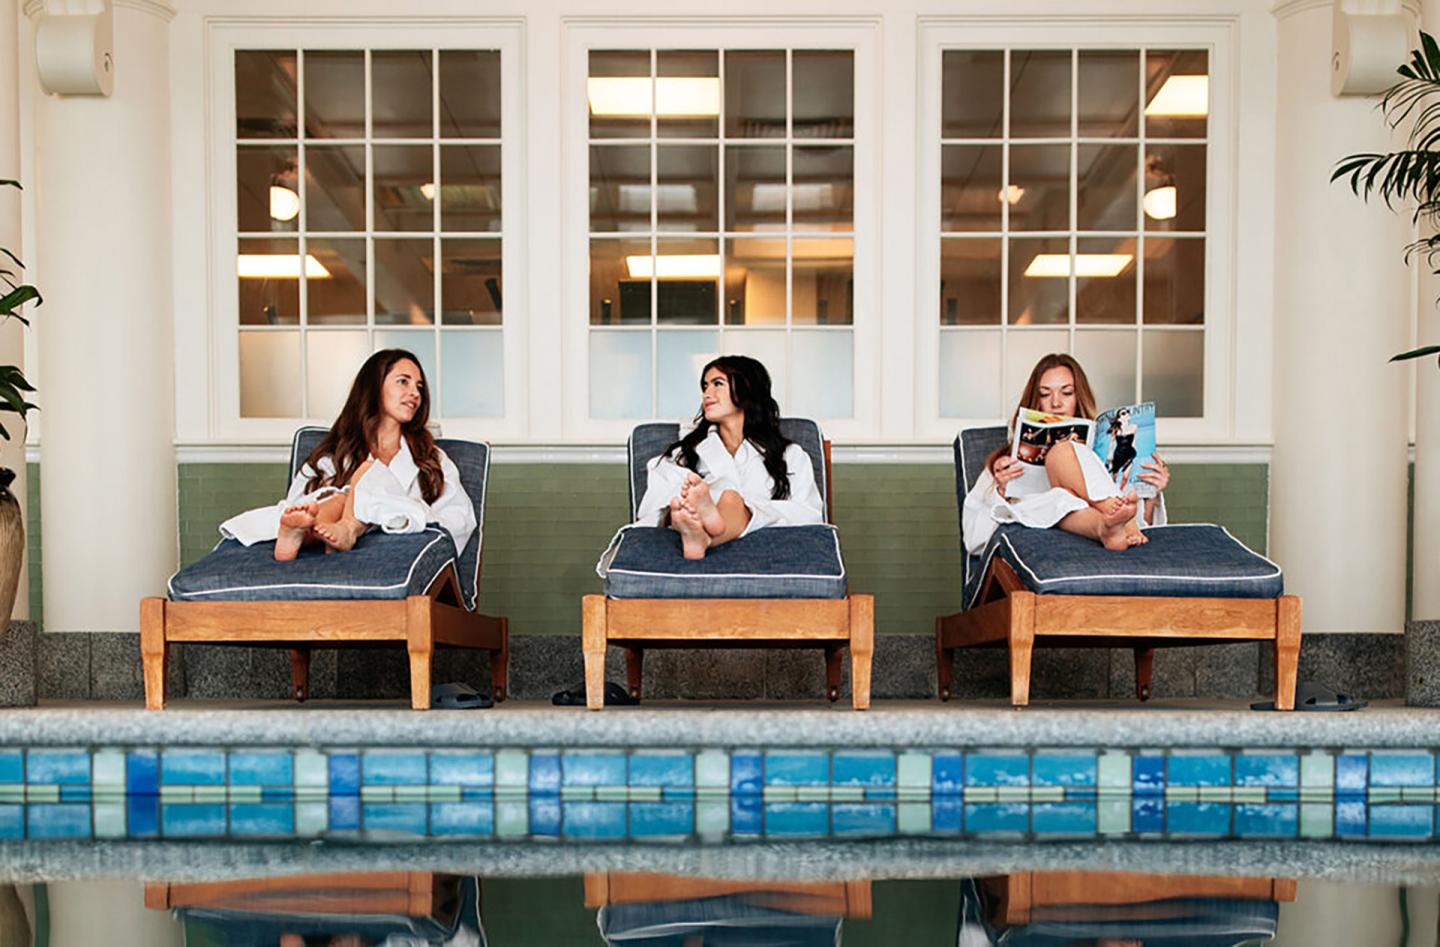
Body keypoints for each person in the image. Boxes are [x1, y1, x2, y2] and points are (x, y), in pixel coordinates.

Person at [219, 349, 477, 561]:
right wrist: (345, 501)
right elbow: (300, 503)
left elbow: (459, 519)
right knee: (338, 496)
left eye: (419, 386)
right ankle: (300, 534)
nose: (415, 393)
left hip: (395, 544)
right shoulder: (332, 455)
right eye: (403, 381)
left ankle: (347, 528)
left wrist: (388, 509)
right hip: (324, 542)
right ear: (374, 387)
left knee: (363, 479)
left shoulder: (432, 457)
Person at [962, 353, 1169, 554]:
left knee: (1065, 473)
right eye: (1045, 394)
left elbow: (1145, 531)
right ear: (1035, 401)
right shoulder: (1005, 465)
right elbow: (973, 539)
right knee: (1061, 492)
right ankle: (1108, 519)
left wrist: (1151, 495)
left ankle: (1106, 527)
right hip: (1043, 514)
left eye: (1067, 392)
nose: (1056, 403)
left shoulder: (1100, 454)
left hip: (1105, 532)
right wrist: (1001, 493)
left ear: (1079, 398)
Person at [633, 355, 824, 559]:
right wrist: (693, 502)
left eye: (717, 384)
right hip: (687, 522)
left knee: (731, 499)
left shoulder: (789, 455)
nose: (707, 393)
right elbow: (651, 505)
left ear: (747, 389)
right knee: (689, 502)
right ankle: (697, 522)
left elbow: (809, 513)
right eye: (705, 386)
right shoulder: (685, 453)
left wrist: (748, 511)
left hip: (759, 542)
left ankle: (703, 537)